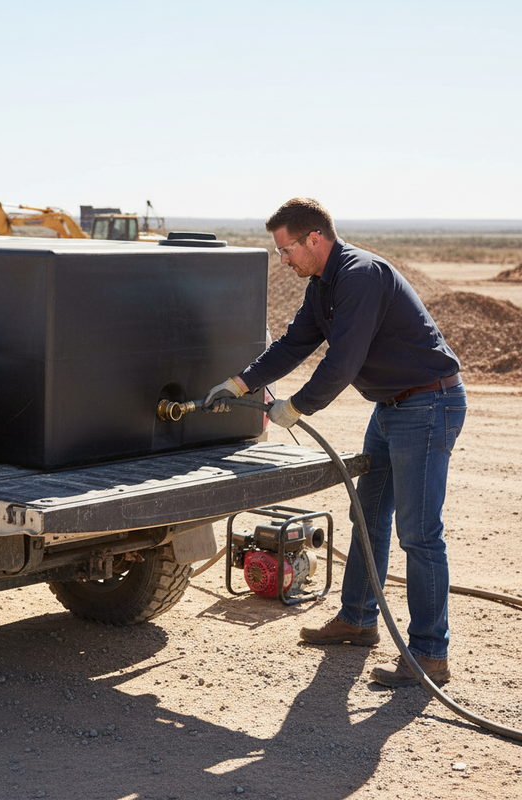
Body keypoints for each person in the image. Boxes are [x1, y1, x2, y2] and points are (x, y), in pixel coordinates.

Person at [203, 197, 467, 688]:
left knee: (419, 533)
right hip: (392, 407)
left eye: (286, 250)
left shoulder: (361, 275)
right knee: (367, 518)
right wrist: (240, 384)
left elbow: (343, 362)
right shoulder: (323, 285)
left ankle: (431, 655)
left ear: (315, 240)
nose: (283, 260)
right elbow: (293, 345)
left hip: (428, 406)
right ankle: (359, 620)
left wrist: (298, 406)